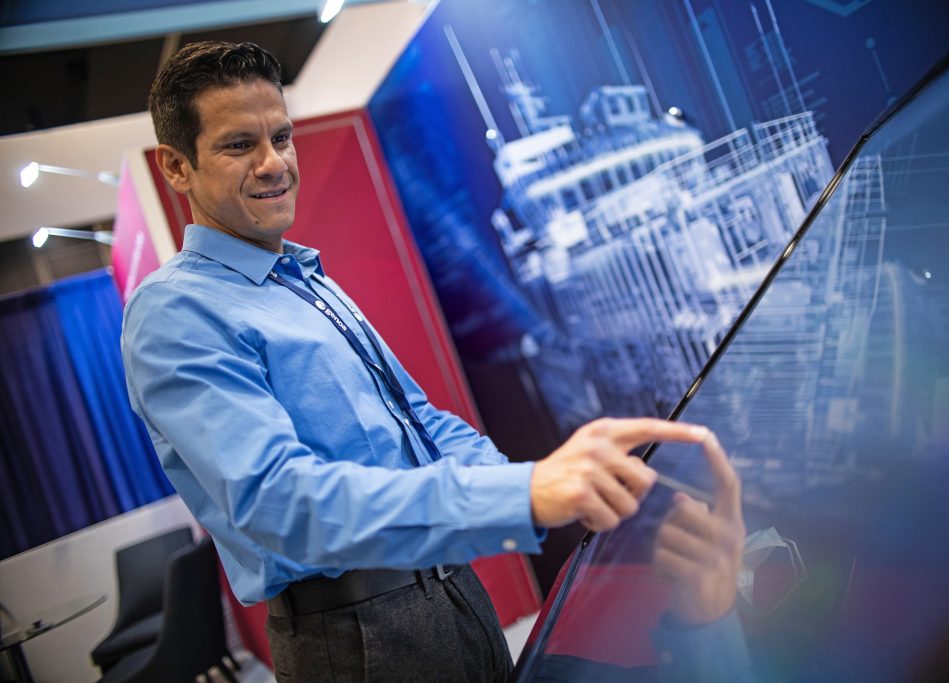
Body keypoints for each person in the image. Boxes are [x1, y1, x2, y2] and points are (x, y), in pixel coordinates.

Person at [123, 41, 745, 682]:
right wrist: (526, 495)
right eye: (238, 145)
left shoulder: (305, 279)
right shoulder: (175, 311)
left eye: (282, 136)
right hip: (357, 638)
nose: (273, 163)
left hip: (452, 594)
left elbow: (419, 422)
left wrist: (552, 484)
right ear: (176, 167)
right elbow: (281, 505)